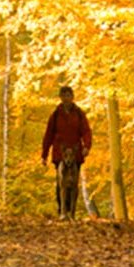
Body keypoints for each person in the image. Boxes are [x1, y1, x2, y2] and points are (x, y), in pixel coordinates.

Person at [41, 85, 92, 216]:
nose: (66, 98)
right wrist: (44, 154)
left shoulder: (79, 114)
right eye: (63, 96)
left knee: (74, 185)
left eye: (68, 95)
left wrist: (86, 146)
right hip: (60, 154)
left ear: (72, 97)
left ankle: (71, 212)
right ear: (60, 97)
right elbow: (48, 135)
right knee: (61, 184)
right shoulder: (56, 115)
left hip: (75, 154)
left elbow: (86, 131)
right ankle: (62, 211)